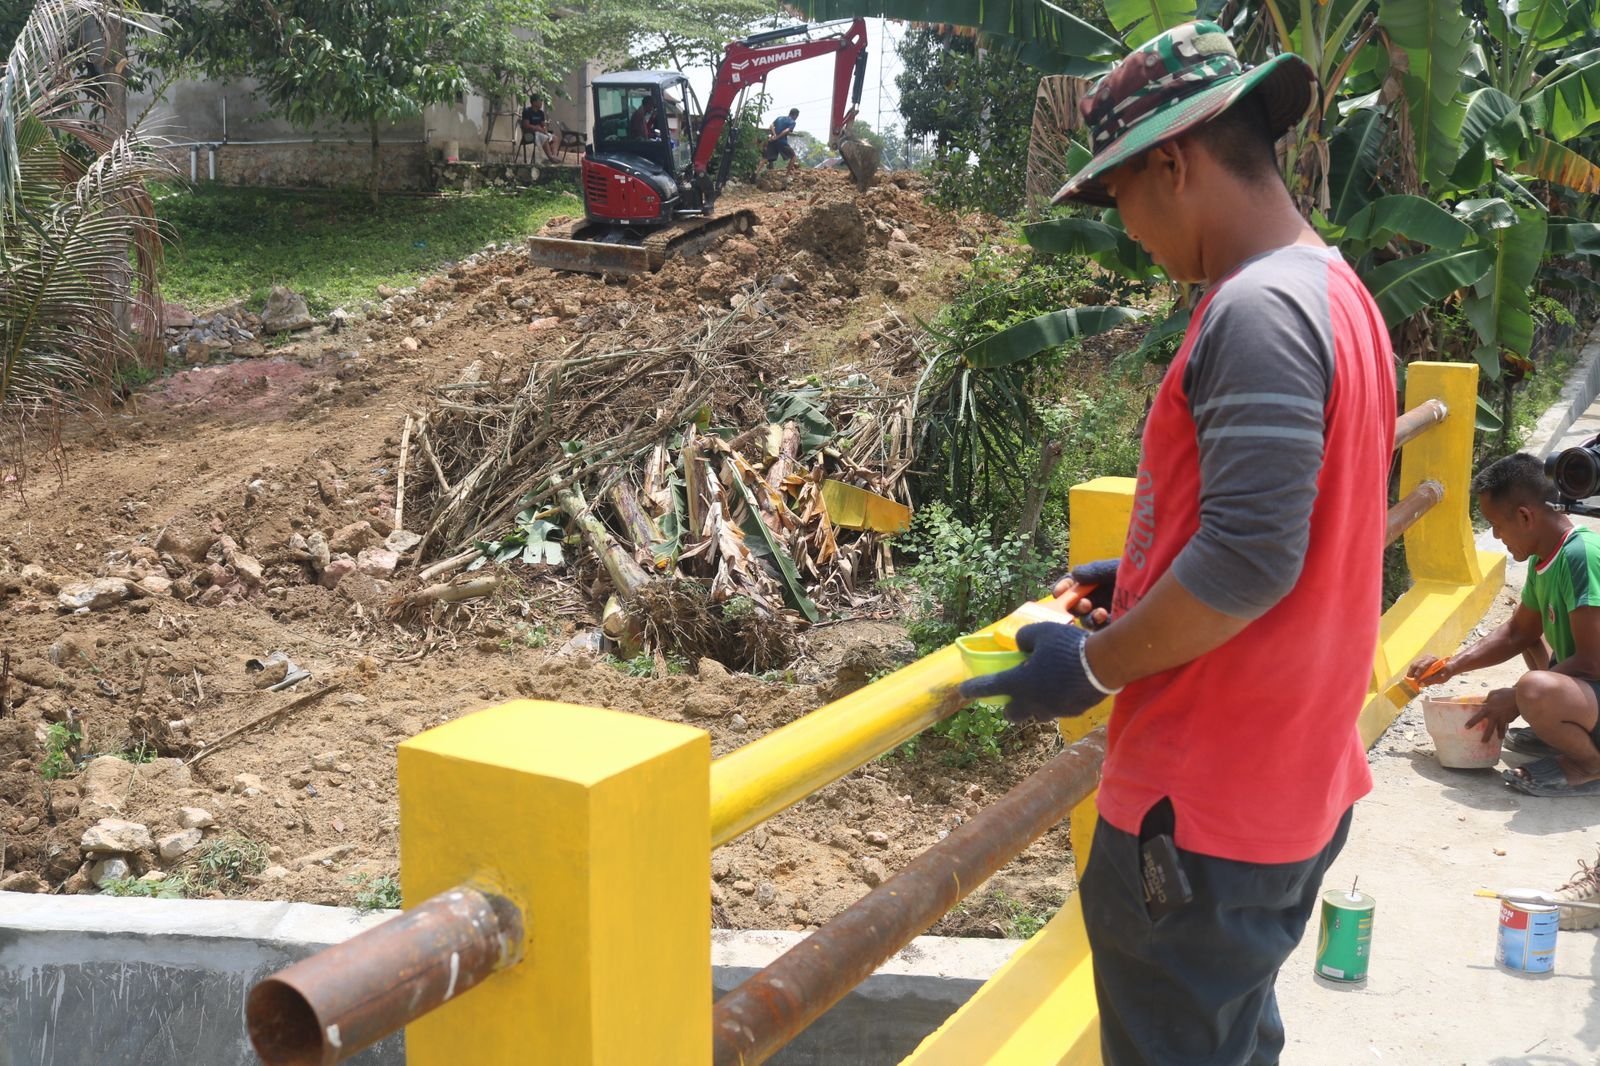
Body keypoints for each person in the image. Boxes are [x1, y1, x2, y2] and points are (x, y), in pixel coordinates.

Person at [958, 22, 1394, 1065]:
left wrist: (1090, 667)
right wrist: (1147, 573)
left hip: (1198, 811)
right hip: (1284, 782)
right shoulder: (1333, 292)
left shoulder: (1257, 311)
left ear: (1173, 164)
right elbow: (1289, 520)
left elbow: (1249, 562)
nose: (1130, 229)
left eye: (1121, 196)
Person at [1405, 453, 1600, 798]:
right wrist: (1450, 666)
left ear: (1525, 516)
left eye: (1496, 524)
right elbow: (1518, 632)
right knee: (1530, 641)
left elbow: (1593, 661)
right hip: (1591, 691)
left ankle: (1589, 766)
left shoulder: (1581, 555)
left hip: (1594, 676)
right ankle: (1561, 731)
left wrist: (1518, 700)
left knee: (1533, 689)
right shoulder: (1546, 556)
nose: (1496, 535)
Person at [754, 107, 799, 176]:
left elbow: (771, 125)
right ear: (795, 115)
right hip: (782, 142)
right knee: (793, 157)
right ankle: (786, 176)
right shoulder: (792, 122)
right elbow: (786, 130)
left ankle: (756, 172)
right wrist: (777, 137)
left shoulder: (779, 118)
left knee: (765, 158)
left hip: (772, 140)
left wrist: (774, 135)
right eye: (797, 116)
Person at [519, 94, 558, 163]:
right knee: (544, 137)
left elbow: (543, 125)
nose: (541, 103)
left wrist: (545, 130)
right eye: (540, 101)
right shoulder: (527, 111)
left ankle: (554, 156)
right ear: (534, 102)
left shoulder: (541, 113)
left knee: (554, 138)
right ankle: (550, 157)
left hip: (540, 132)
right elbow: (526, 125)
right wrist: (536, 128)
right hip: (529, 134)